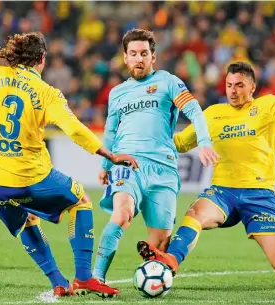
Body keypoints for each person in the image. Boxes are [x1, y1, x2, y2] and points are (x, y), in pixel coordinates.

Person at [0, 8, 138, 298]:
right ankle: (84, 277)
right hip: (29, 177)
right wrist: (109, 155)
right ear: (42, 59)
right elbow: (73, 128)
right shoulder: (47, 92)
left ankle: (58, 282)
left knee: (25, 222)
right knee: (81, 201)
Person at [138, 48, 275, 290]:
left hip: (259, 195)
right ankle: (170, 260)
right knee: (194, 214)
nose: (233, 91)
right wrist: (149, 140)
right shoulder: (213, 114)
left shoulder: (269, 107)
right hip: (223, 192)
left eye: (239, 85)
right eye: (229, 85)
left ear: (252, 87)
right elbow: (181, 143)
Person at [93, 28, 219, 283]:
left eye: (144, 53)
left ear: (153, 57)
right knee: (122, 213)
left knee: (160, 245)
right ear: (125, 58)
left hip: (163, 169)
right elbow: (110, 130)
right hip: (128, 163)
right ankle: (95, 278)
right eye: (133, 54)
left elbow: (194, 110)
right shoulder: (117, 93)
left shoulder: (168, 82)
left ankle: (152, 279)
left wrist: (204, 141)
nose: (139, 59)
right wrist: (106, 163)